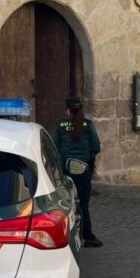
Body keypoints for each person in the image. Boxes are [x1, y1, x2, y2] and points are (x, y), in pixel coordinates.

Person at [53, 96, 103, 248]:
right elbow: (96, 147)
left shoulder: (61, 125)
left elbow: (55, 146)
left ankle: (64, 234)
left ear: (68, 110)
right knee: (84, 203)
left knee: (64, 202)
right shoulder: (87, 125)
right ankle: (88, 237)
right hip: (83, 170)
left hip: (66, 169)